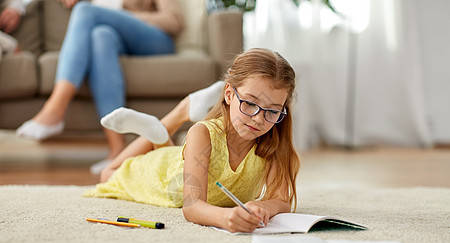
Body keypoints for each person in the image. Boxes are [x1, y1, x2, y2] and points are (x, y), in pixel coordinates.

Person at [84, 48, 301, 233]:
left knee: (164, 149)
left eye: (272, 111)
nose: (258, 118)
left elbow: (282, 200)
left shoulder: (275, 143)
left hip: (181, 159)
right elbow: (192, 206)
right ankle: (177, 114)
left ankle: (158, 134)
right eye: (250, 104)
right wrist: (225, 218)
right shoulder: (202, 133)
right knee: (107, 175)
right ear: (229, 94)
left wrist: (263, 206)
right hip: (160, 175)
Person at [15, 0, 184, 174]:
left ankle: (55, 109)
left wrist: (119, 15)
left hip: (156, 40)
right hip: (115, 37)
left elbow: (174, 21)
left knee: (85, 11)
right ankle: (118, 149)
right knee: (100, 36)